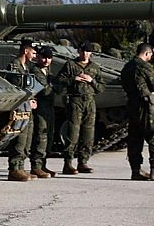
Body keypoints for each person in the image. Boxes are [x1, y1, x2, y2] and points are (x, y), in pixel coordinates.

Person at [121, 42, 154, 181]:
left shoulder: (127, 67)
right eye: (150, 55)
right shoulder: (144, 66)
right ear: (147, 53)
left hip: (132, 105)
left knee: (135, 138)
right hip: (145, 105)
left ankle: (136, 170)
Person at [58, 42, 104, 174]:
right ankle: (68, 163)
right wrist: (73, 79)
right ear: (79, 52)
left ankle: (83, 162)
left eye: (87, 51)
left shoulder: (94, 67)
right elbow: (59, 80)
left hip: (89, 101)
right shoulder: (70, 65)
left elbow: (101, 87)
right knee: (73, 133)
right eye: (83, 51)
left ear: (91, 53)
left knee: (88, 133)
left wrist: (91, 80)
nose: (85, 54)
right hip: (75, 100)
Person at [7, 39, 40, 182]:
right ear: (26, 51)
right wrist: (27, 100)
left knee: (27, 139)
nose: (34, 55)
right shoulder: (14, 67)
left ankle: (21, 167)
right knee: (19, 139)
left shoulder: (25, 67)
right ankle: (14, 169)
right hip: (19, 108)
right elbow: (14, 89)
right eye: (33, 52)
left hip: (26, 107)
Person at [27, 45, 59, 179]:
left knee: (48, 136)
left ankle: (42, 164)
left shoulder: (46, 71)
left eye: (49, 58)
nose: (46, 60)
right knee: (41, 136)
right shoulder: (35, 71)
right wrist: (55, 85)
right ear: (38, 57)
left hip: (48, 106)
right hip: (40, 107)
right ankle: (36, 166)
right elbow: (45, 90)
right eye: (44, 57)